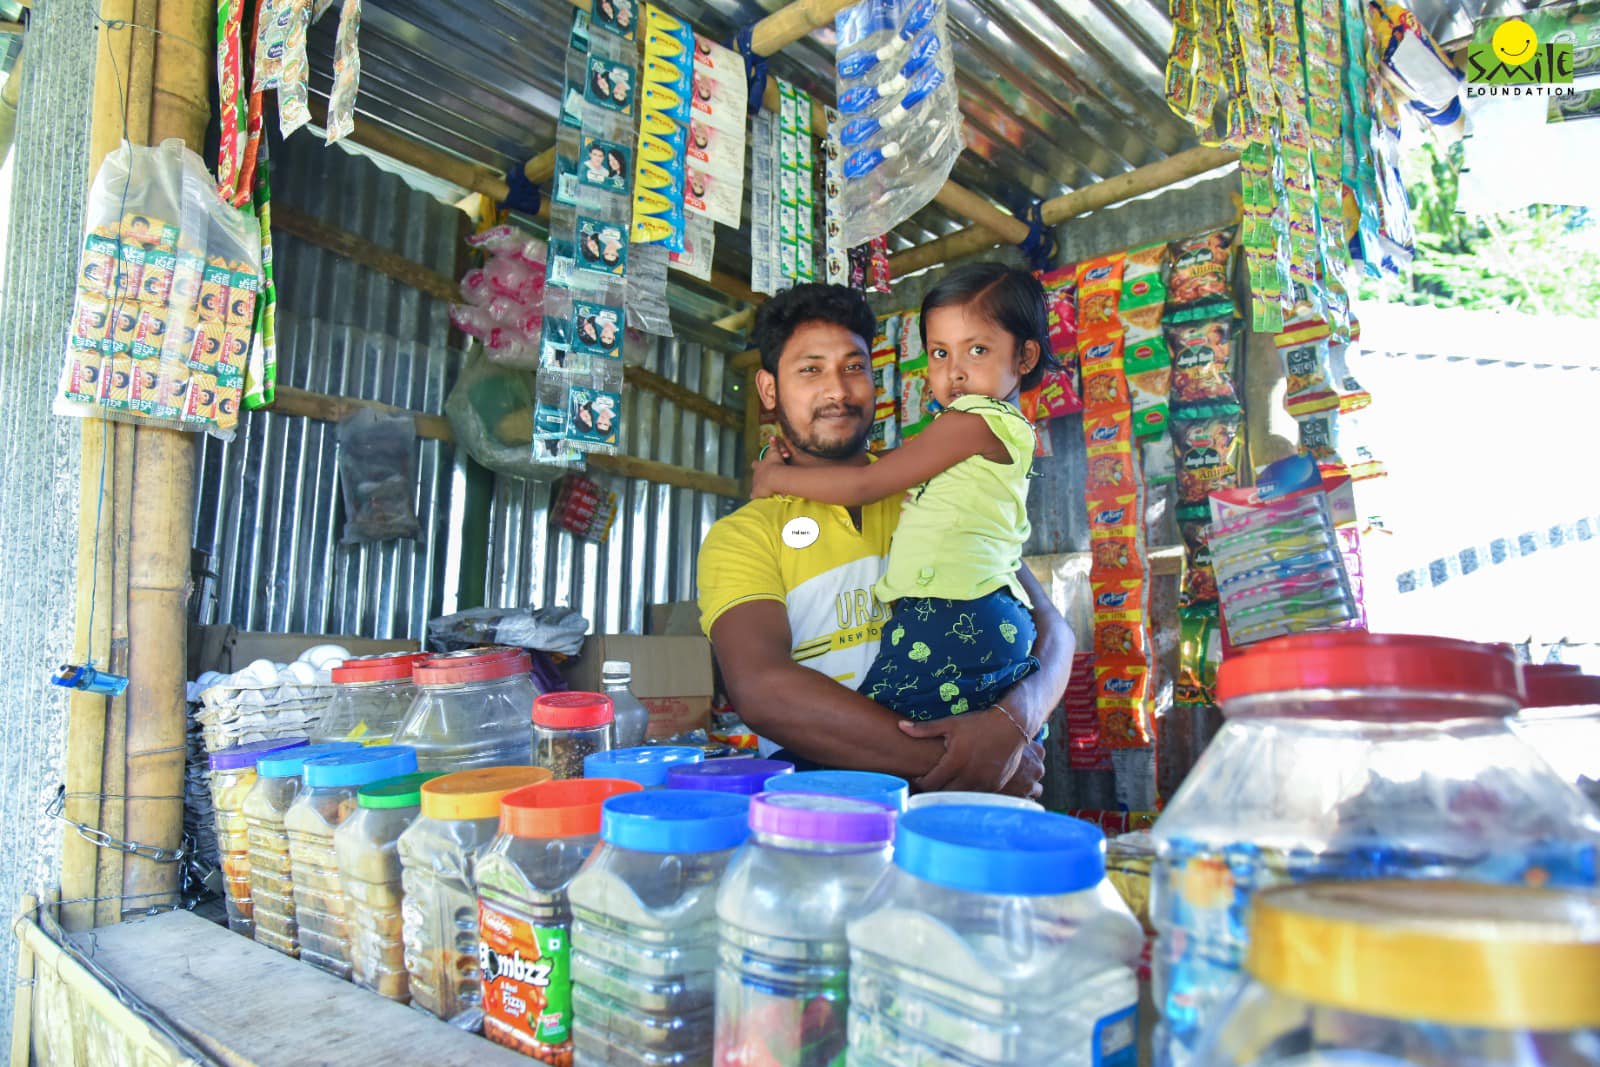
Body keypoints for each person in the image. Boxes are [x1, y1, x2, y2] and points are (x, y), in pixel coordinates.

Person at [697, 282, 1072, 796]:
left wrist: (1012, 724)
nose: (838, 391)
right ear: (768, 390)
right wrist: (966, 763)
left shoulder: (936, 490)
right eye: (811, 370)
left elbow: (1054, 628)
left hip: (964, 815)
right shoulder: (744, 536)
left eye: (854, 367)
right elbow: (763, 690)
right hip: (831, 824)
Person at [752, 263, 1060, 728]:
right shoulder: (988, 430)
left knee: (888, 729)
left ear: (1025, 357)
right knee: (952, 735)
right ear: (769, 388)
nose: (954, 373)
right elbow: (903, 464)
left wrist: (773, 478)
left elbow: (864, 484)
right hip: (982, 614)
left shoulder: (973, 420)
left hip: (953, 615)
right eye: (939, 353)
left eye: (977, 350)